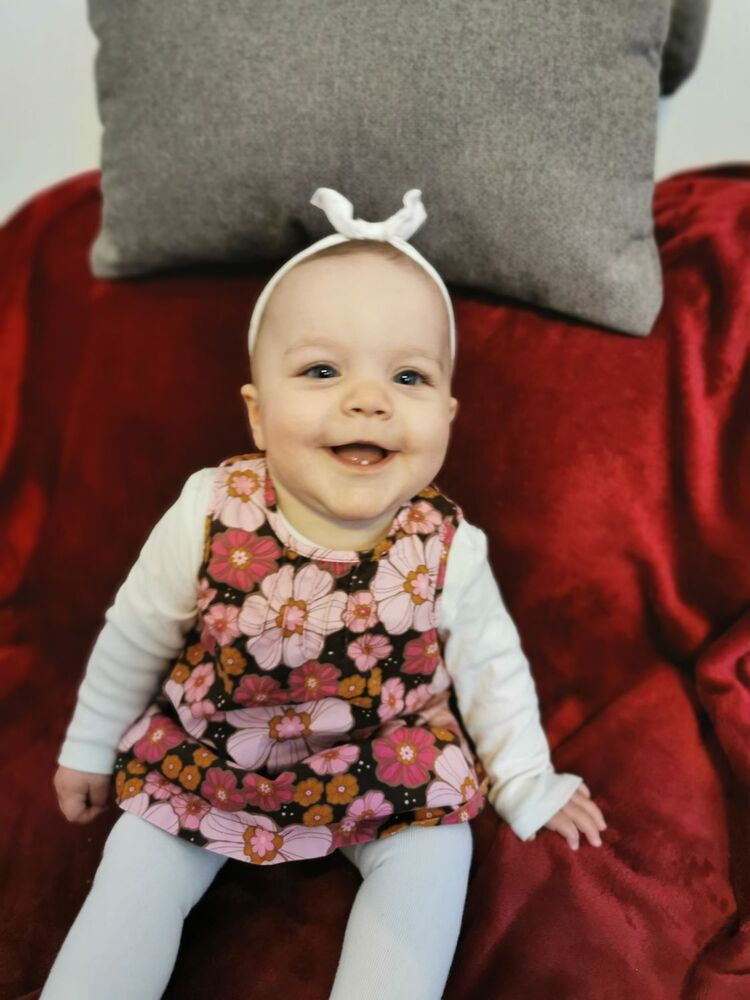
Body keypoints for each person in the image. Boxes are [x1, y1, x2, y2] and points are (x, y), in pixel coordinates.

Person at [43, 188, 606, 1000]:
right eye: (321, 370)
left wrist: (525, 781)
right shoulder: (210, 510)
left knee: (437, 848)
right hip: (214, 752)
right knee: (138, 859)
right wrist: (91, 745)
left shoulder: (447, 544)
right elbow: (136, 634)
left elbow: (492, 668)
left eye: (407, 375)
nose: (369, 398)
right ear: (258, 415)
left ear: (448, 415)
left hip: (385, 754)